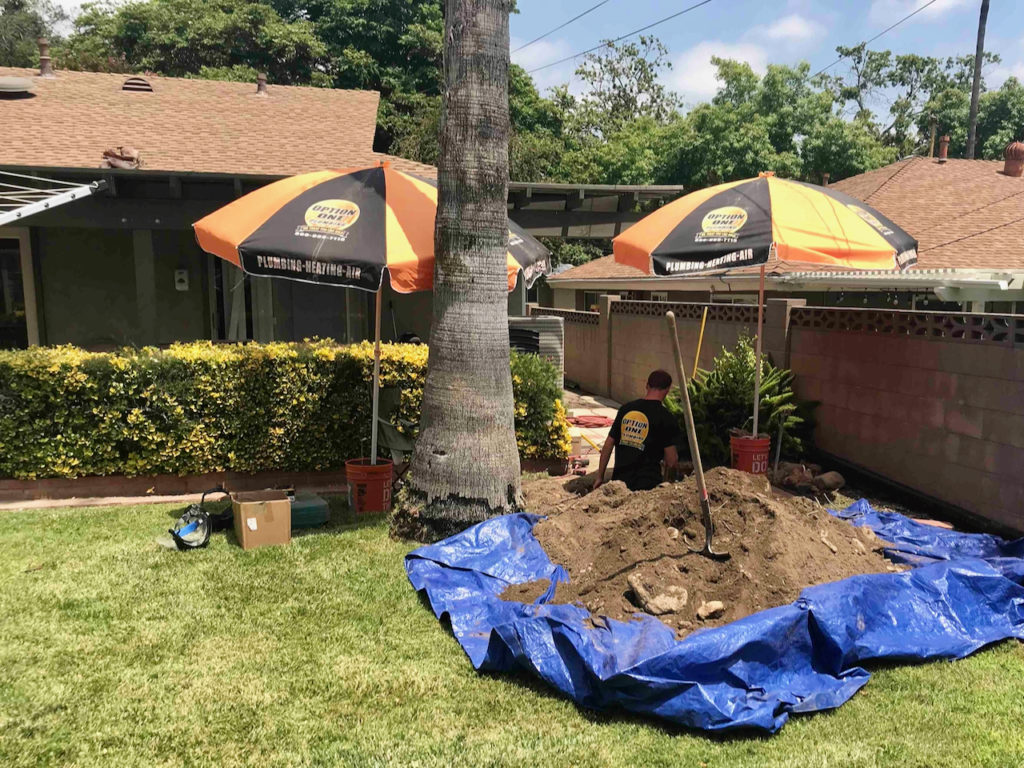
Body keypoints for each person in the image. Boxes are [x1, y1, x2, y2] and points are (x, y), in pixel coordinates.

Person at [594, 370, 681, 492]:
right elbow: (672, 460)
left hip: (620, 485)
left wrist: (600, 477)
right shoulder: (666, 418)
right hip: (647, 488)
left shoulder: (626, 409)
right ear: (667, 390)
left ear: (647, 385)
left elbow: (608, 445)